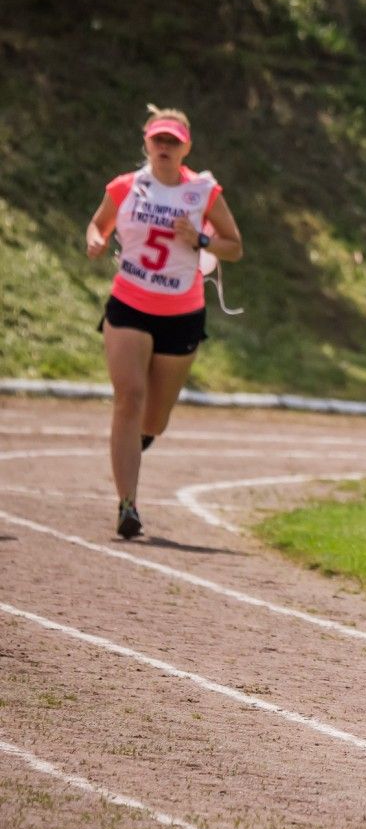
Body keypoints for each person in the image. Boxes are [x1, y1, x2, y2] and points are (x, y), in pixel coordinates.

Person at [84, 106, 244, 539]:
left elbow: (234, 247)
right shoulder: (125, 187)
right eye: (159, 140)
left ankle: (138, 444)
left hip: (181, 313)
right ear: (147, 142)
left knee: (154, 420)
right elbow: (98, 225)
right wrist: (96, 240)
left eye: (173, 141)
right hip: (129, 304)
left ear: (186, 147)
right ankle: (127, 504)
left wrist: (202, 238)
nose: (165, 147)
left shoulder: (203, 192)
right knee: (129, 398)